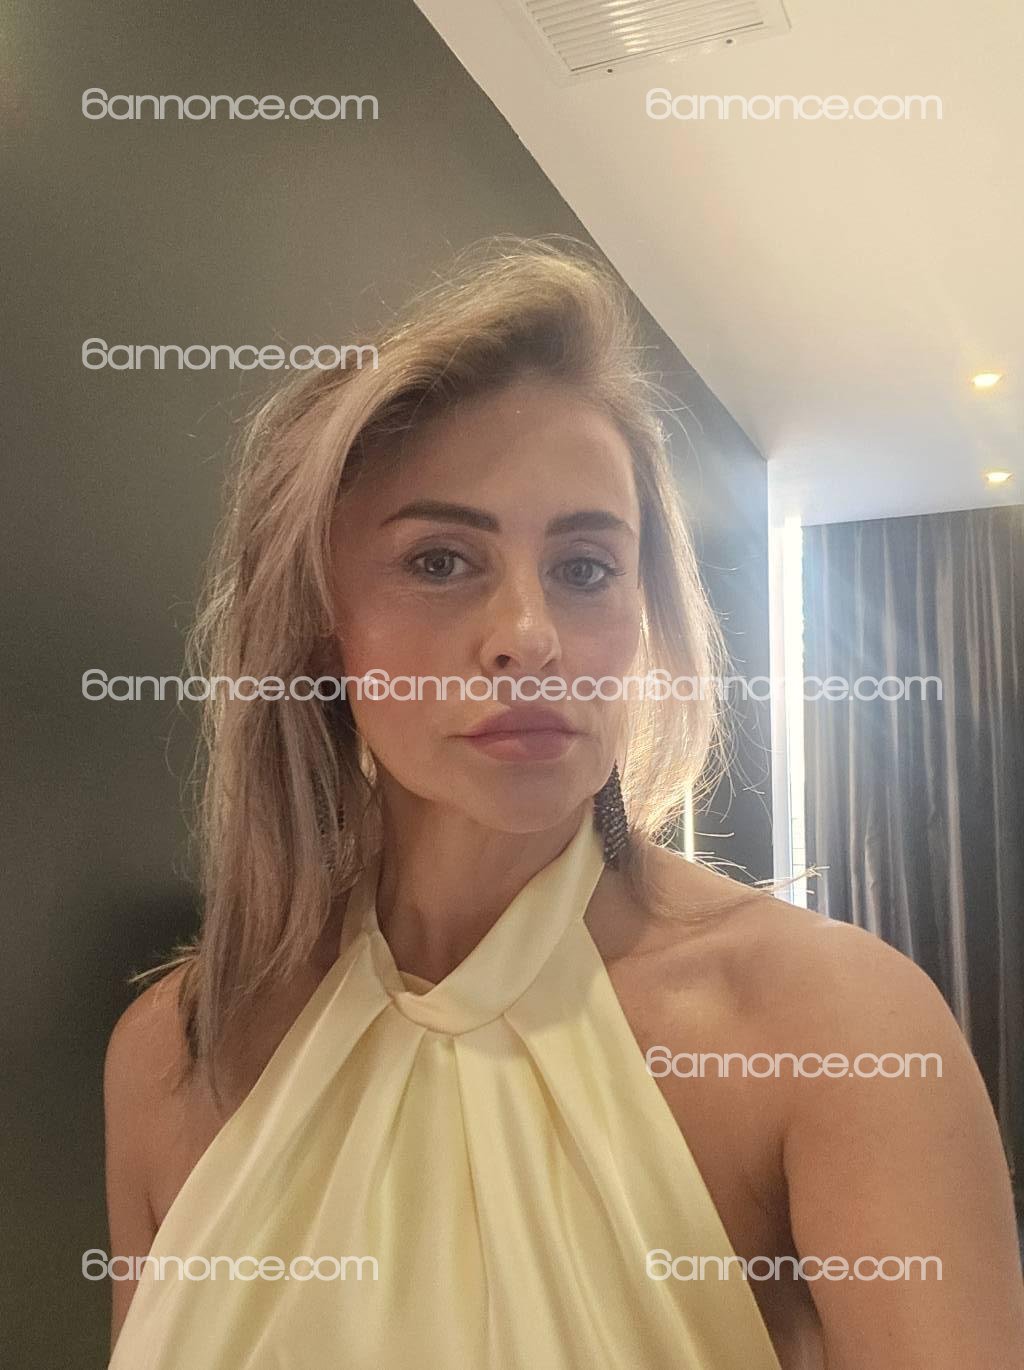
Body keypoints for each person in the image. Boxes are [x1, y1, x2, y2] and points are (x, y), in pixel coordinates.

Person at [103, 237, 1024, 1369]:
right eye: (440, 561)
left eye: (585, 568)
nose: (529, 637)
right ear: (316, 625)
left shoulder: (826, 1031)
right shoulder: (177, 1051)